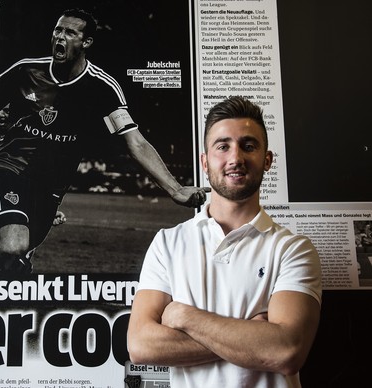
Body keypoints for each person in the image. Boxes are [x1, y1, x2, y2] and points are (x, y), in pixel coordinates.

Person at [0, 8, 207, 274]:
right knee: (13, 245)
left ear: (86, 42)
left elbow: (136, 142)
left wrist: (176, 188)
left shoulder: (102, 88)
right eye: (57, 30)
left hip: (50, 188)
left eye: (70, 32)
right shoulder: (26, 70)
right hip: (8, 168)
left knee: (11, 259)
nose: (60, 37)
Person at [127, 96, 322, 387]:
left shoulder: (293, 249)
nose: (235, 158)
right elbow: (141, 346)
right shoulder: (168, 243)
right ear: (205, 163)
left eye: (248, 145)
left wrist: (184, 316)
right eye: (223, 146)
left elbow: (286, 351)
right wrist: (254, 341)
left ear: (267, 160)